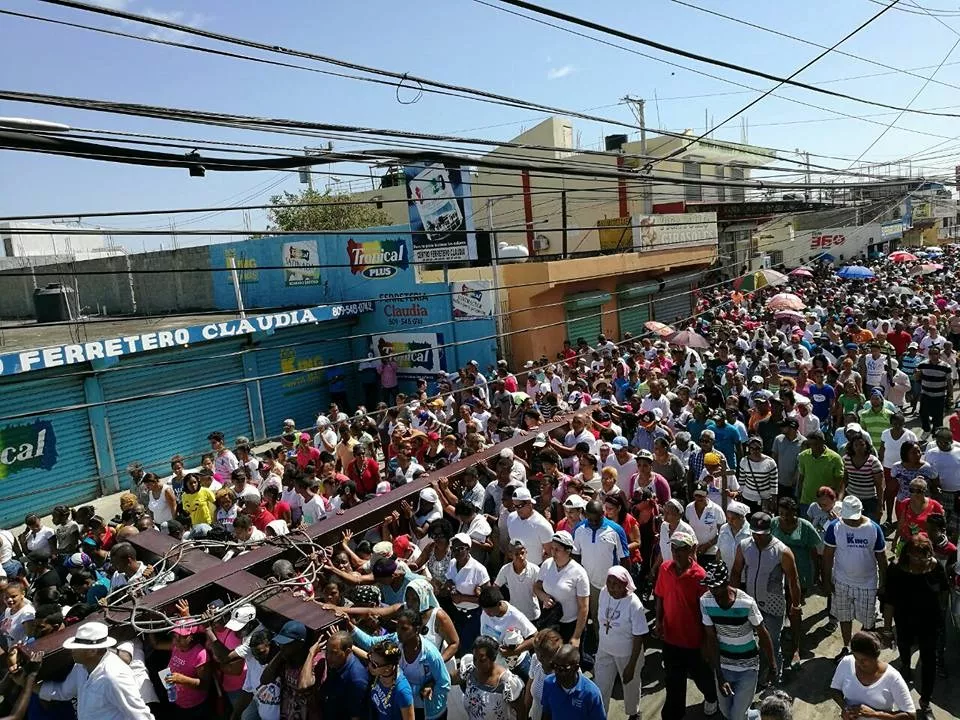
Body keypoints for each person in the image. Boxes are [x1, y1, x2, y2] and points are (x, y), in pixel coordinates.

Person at [653, 530, 718, 720]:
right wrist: (658, 620)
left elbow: (706, 612)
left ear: (691, 550)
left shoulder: (700, 576)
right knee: (674, 681)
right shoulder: (665, 569)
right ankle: (673, 715)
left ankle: (712, 696)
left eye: (681, 549)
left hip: (693, 641)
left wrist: (707, 641)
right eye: (674, 549)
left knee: (701, 676)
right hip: (671, 639)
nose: (676, 553)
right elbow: (660, 596)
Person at [700, 560, 777, 720]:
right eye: (710, 586)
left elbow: (763, 634)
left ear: (726, 582)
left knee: (736, 716)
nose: (713, 591)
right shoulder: (705, 601)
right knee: (727, 712)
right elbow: (711, 639)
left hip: (748, 667)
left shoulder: (746, 603)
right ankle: (755, 716)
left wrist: (772, 665)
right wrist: (719, 676)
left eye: (717, 586)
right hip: (724, 666)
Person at [730, 512, 802, 682]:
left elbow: (793, 580)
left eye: (761, 534)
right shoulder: (744, 546)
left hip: (773, 605)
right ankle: (753, 673)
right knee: (748, 640)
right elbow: (735, 572)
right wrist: (734, 598)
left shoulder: (782, 551)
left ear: (770, 530)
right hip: (750, 602)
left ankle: (776, 674)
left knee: (772, 642)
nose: (757, 537)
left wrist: (796, 605)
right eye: (754, 533)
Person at [884, 534, 948, 719]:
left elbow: (944, 592)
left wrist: (941, 617)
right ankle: (905, 664)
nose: (921, 561)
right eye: (917, 557)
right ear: (908, 554)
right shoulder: (896, 569)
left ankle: (925, 702)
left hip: (929, 623)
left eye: (925, 557)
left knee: (929, 661)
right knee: (904, 646)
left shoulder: (936, 567)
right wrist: (887, 628)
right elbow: (889, 601)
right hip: (904, 620)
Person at [40, 620, 155, 720]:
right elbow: (63, 692)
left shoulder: (114, 677)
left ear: (92, 652)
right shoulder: (81, 667)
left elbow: (140, 716)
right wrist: (27, 682)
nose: (72, 651)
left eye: (76, 648)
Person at [823, 496, 888, 661]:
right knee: (844, 617)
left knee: (868, 620)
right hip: (842, 581)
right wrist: (826, 580)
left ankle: (864, 650)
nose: (851, 522)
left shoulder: (873, 529)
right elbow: (828, 556)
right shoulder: (834, 527)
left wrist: (883, 583)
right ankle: (847, 647)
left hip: (867, 583)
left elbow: (882, 558)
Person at [770, 496, 821, 670]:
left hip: (800, 572)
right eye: (781, 513)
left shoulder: (805, 527)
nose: (784, 517)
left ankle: (795, 646)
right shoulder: (773, 524)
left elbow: (814, 550)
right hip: (777, 573)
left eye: (788, 514)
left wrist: (817, 572)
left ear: (795, 513)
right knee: (780, 604)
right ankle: (783, 633)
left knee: (794, 606)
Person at [593, 566, 648, 720]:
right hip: (604, 649)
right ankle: (599, 715)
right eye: (609, 583)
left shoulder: (633, 604)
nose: (612, 588)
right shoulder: (604, 592)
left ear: (625, 584)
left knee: (630, 685)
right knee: (600, 685)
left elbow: (639, 636)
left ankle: (633, 713)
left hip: (627, 654)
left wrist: (631, 665)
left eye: (616, 584)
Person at [830, 631, 915, 720]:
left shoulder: (893, 678)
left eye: (864, 660)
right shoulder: (847, 662)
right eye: (856, 658)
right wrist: (845, 708)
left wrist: (875, 714)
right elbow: (835, 689)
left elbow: (911, 716)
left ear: (875, 656)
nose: (859, 663)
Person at [535, 531, 590, 645]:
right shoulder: (547, 564)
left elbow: (583, 607)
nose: (553, 553)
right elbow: (536, 587)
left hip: (570, 625)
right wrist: (543, 596)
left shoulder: (579, 573)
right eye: (552, 549)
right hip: (550, 621)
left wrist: (576, 636)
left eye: (557, 550)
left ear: (568, 551)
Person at [453, 635, 526, 720]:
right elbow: (449, 679)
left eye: (482, 660)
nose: (477, 663)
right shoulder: (470, 669)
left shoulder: (507, 683)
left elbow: (521, 712)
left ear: (493, 658)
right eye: (475, 658)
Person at [539, 644, 606, 720]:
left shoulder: (591, 693)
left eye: (562, 668)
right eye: (554, 666)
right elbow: (546, 713)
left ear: (576, 668)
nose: (557, 672)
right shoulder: (549, 683)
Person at [494, 540, 540, 623]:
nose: (521, 556)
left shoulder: (535, 570)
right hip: (514, 616)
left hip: (532, 615)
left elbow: (541, 589)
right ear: (510, 555)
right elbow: (495, 588)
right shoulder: (505, 569)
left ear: (526, 552)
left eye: (522, 553)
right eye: (516, 554)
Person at [368, 640, 416, 720]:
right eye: (369, 659)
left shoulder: (402, 692)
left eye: (374, 665)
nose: (369, 665)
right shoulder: (380, 673)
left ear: (388, 667)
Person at [895, 477, 944, 544]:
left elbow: (942, 526)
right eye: (912, 490)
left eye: (918, 491)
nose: (915, 494)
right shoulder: (905, 503)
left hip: (927, 543)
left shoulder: (935, 505)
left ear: (925, 491)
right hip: (908, 542)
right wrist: (895, 539)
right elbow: (901, 523)